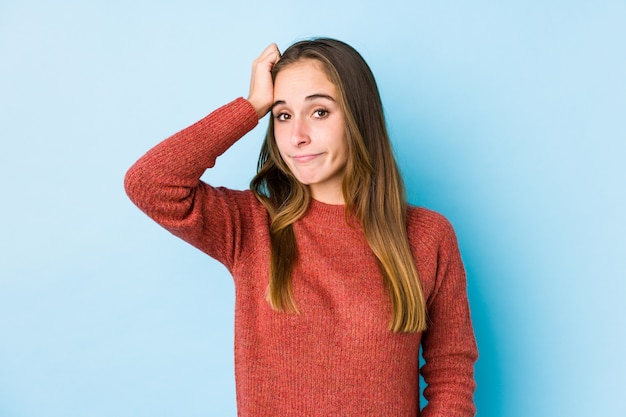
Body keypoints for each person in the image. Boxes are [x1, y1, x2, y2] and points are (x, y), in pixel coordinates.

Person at [125, 38, 478, 417]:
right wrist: (250, 106)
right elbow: (150, 183)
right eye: (283, 115)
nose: (297, 137)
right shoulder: (251, 226)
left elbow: (451, 374)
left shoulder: (427, 236)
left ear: (359, 116)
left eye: (319, 112)